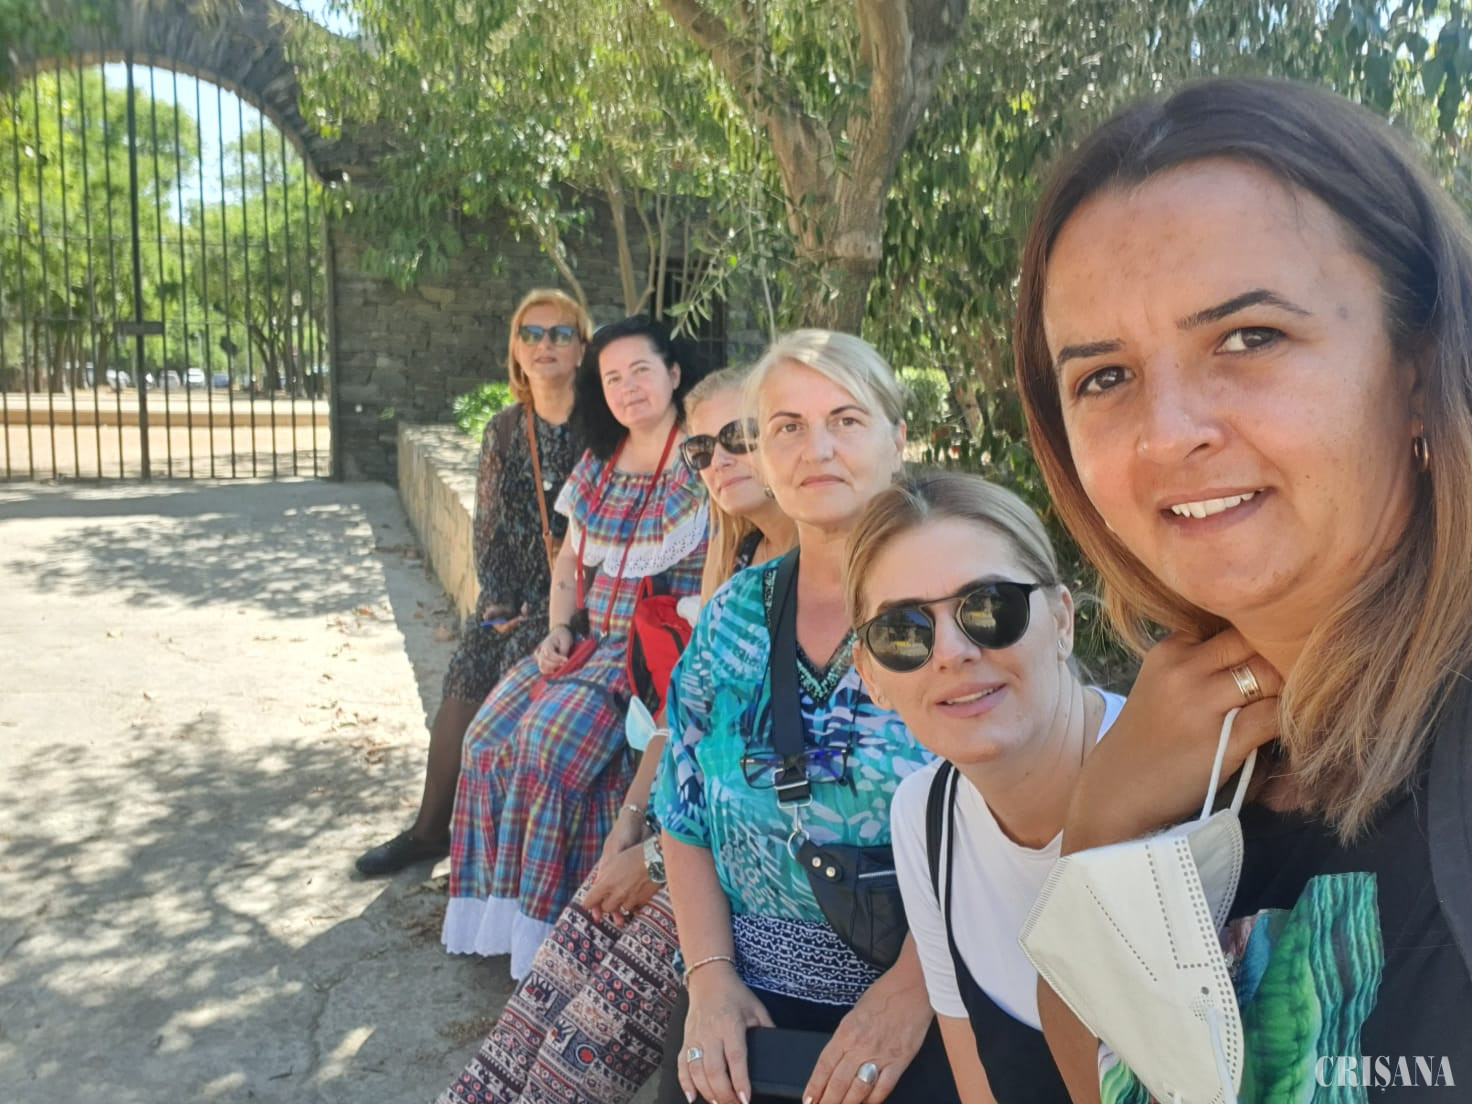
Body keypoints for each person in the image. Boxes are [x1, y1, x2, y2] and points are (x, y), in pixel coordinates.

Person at [1011, 76, 1472, 1100]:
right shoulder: (1186, 763)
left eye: (1249, 337)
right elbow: (1109, 1077)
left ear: (1415, 362)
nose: (1166, 433)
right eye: (1103, 376)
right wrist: (1101, 828)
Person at [435, 365, 795, 1104]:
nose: (720, 460)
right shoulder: (739, 562)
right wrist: (630, 825)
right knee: (518, 1034)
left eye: (740, 436)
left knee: (563, 1065)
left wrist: (658, 859)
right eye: (702, 450)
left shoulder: (832, 579)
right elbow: (680, 719)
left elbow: (794, 794)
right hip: (687, 839)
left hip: (747, 876)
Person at [654, 330, 959, 1104]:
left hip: (938, 1001)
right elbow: (682, 810)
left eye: (846, 420)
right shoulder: (730, 620)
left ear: (896, 440)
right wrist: (710, 982)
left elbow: (1028, 813)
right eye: (787, 426)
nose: (816, 448)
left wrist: (915, 989)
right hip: (751, 1010)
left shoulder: (960, 605)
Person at [843, 472, 1125, 1103]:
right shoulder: (925, 817)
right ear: (870, 675)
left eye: (990, 607)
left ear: (1062, 620)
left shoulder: (1198, 786)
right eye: (903, 630)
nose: (951, 651)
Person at [442, 314, 709, 977]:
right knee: (483, 740)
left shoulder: (702, 462)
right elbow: (568, 565)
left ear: (674, 373)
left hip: (651, 658)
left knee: (548, 746)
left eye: (641, 371)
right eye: (612, 378)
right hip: (589, 644)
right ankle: (500, 918)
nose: (627, 388)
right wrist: (560, 628)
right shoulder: (599, 462)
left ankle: (559, 927)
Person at [356, 289, 588, 876]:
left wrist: (547, 612)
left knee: (518, 663)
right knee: (469, 666)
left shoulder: (601, 428)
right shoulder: (505, 430)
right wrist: (501, 602)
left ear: (582, 349)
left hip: (582, 601)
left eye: (560, 333)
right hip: (516, 595)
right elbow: (488, 528)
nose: (544, 345)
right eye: (531, 334)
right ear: (516, 350)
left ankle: (500, 852)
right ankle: (429, 831)